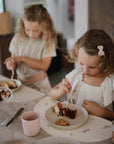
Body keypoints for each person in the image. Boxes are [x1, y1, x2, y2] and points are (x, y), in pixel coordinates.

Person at [49, 29, 114, 120]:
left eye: (92, 67)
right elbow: (51, 94)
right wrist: (60, 91)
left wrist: (103, 113)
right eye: (81, 63)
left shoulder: (110, 82)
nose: (85, 70)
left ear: (106, 62)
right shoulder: (76, 76)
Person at [4, 1, 57, 95]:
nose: (31, 34)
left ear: (45, 27)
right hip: (21, 84)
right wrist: (11, 64)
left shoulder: (48, 41)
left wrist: (22, 58)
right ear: (22, 25)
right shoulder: (18, 38)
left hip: (40, 86)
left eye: (35, 31)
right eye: (27, 29)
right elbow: (14, 61)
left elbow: (44, 66)